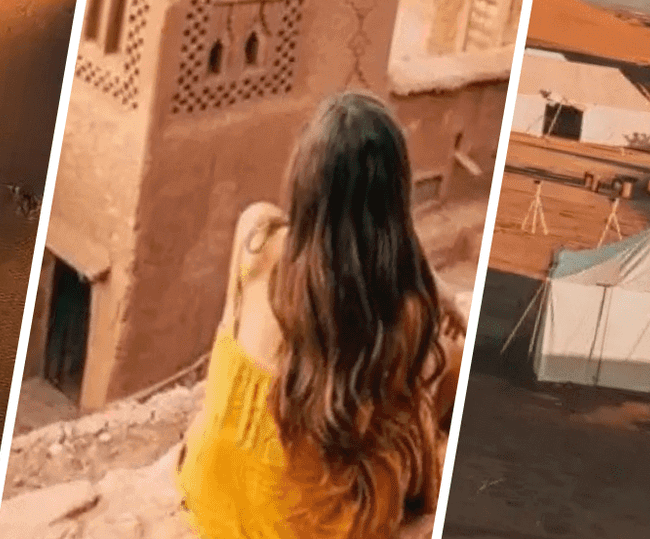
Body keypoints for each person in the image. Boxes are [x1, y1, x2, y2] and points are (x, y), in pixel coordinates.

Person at [176, 91, 466, 539]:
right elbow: (390, 418)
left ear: (305, 176)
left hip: (212, 488)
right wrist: (435, 293)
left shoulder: (256, 235)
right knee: (448, 366)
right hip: (303, 525)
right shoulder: (396, 311)